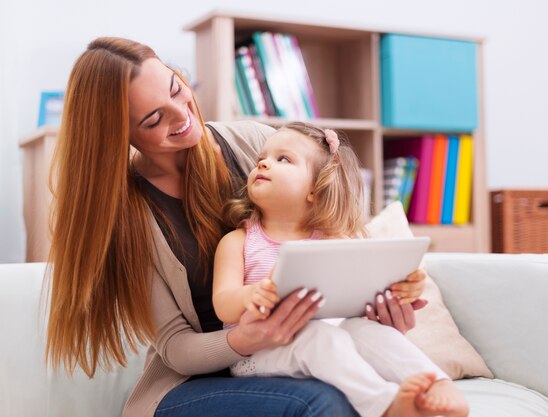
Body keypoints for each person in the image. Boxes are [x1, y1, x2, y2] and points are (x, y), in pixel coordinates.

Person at [44, 37, 429, 417]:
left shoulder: (260, 146)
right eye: (154, 119)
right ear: (119, 137)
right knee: (323, 400)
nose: (182, 116)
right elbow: (176, 348)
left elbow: (337, 243)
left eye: (177, 89)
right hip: (192, 386)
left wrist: (384, 302)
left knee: (363, 383)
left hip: (296, 352)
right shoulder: (128, 215)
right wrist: (247, 338)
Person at [213, 122, 469, 417]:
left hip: (325, 342)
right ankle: (385, 406)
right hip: (257, 356)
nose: (264, 163)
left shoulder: (334, 241)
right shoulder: (239, 241)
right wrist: (250, 295)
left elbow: (367, 289)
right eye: (262, 158)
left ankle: (437, 382)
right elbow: (223, 304)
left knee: (363, 329)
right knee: (321, 337)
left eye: (283, 159)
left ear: (314, 189)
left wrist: (407, 286)